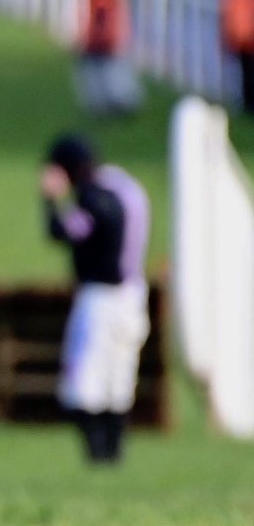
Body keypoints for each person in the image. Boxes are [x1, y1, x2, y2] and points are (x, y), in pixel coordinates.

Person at [40, 134, 151, 464]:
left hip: (100, 297)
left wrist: (49, 199)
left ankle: (98, 457)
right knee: (118, 380)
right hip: (134, 294)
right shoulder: (125, 185)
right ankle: (113, 456)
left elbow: (63, 231)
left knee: (85, 381)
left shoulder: (93, 198)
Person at [74, 0, 140, 118]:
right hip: (101, 41)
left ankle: (120, 104)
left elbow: (102, 19)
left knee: (111, 75)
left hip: (106, 42)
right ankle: (108, 106)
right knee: (101, 76)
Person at [221, 0, 254, 113]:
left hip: (242, 39)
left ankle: (246, 103)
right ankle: (247, 103)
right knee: (245, 75)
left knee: (245, 75)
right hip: (244, 40)